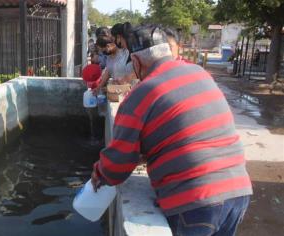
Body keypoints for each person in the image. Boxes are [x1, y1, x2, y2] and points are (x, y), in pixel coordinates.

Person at [91, 25, 252, 236]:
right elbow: (189, 132)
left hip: (194, 202)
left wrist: (100, 172)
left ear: (137, 62)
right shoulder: (199, 73)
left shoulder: (141, 94)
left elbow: (117, 164)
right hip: (238, 191)